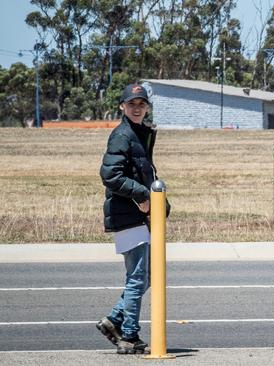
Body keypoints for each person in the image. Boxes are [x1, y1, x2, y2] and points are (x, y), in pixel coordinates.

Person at [96, 83, 167, 354]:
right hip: (126, 215)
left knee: (147, 276)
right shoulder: (122, 135)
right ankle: (129, 336)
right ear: (122, 107)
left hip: (139, 215)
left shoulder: (139, 133)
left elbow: (145, 173)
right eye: (132, 104)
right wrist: (142, 195)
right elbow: (111, 175)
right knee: (138, 277)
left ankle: (114, 319)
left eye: (141, 104)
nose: (137, 108)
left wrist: (162, 205)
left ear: (146, 107)